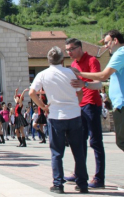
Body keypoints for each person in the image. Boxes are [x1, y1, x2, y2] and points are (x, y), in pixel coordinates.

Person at [29, 46, 88, 194]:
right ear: (62, 60)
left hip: (56, 116)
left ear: (49, 60)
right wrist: (76, 103)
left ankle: (58, 184)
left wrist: (43, 106)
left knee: (56, 152)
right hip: (74, 114)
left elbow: (32, 92)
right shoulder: (71, 73)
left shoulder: (43, 74)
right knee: (78, 151)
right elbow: (80, 92)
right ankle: (82, 183)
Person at [73, 30, 124, 153]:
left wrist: (79, 74)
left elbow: (103, 76)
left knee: (121, 141)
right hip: (119, 104)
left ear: (115, 40)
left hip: (122, 104)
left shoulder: (120, 53)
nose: (106, 46)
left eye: (107, 43)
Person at [65, 38, 105, 189]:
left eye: (71, 49)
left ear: (80, 48)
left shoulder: (92, 60)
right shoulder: (73, 64)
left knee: (95, 142)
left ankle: (99, 177)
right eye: (67, 50)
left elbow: (99, 83)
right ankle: (79, 173)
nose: (69, 52)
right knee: (79, 142)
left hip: (92, 104)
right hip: (78, 106)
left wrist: (84, 82)